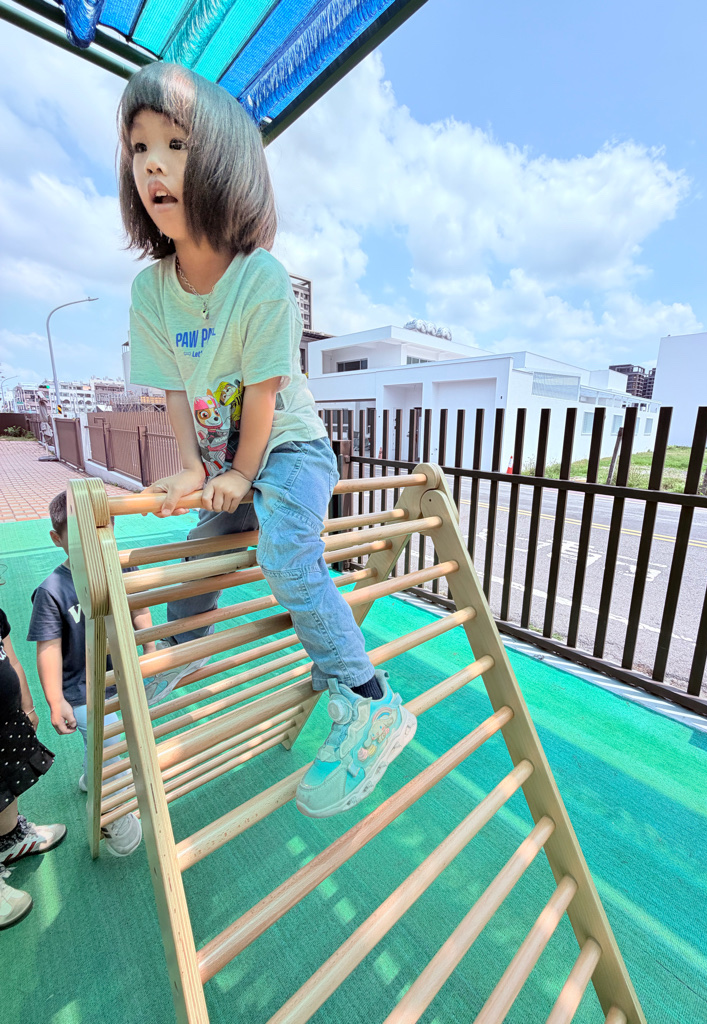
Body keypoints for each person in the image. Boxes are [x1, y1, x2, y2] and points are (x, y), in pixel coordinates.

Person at [119, 62, 416, 819]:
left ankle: (371, 700)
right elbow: (175, 391)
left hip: (288, 448)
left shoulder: (260, 278)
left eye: (176, 145)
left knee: (287, 557)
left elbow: (263, 394)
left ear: (225, 164)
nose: (153, 164)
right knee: (193, 563)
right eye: (139, 147)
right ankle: (170, 669)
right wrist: (193, 468)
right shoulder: (150, 291)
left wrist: (242, 471)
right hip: (230, 464)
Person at [27, 492, 162, 856]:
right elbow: (48, 648)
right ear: (57, 539)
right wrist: (55, 700)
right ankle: (113, 816)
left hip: (120, 676)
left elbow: (139, 608)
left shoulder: (122, 567)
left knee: (113, 740)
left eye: (101, 534)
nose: (91, 546)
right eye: (78, 538)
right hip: (81, 690)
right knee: (112, 746)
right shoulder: (52, 590)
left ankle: (93, 775)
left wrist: (150, 648)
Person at [0, 575, 65, 929]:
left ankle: (9, 839)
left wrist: (26, 705)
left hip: (5, 720)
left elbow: (10, 660)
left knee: (7, 781)